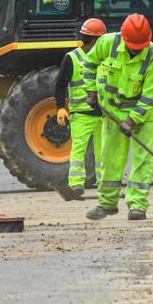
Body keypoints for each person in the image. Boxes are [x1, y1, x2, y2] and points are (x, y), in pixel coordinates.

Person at [84, 13, 153, 221]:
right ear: (125, 39)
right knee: (109, 160)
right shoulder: (108, 43)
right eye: (133, 46)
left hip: (141, 118)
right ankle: (107, 204)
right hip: (112, 114)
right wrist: (90, 90)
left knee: (141, 162)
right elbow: (89, 64)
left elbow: (150, 95)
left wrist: (132, 120)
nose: (136, 49)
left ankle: (137, 206)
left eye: (140, 47)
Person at [54, 17, 108, 197]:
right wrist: (61, 107)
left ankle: (105, 185)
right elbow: (60, 84)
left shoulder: (104, 58)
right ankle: (76, 184)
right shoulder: (72, 58)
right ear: (95, 40)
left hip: (103, 114)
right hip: (81, 115)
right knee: (78, 150)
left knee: (104, 152)